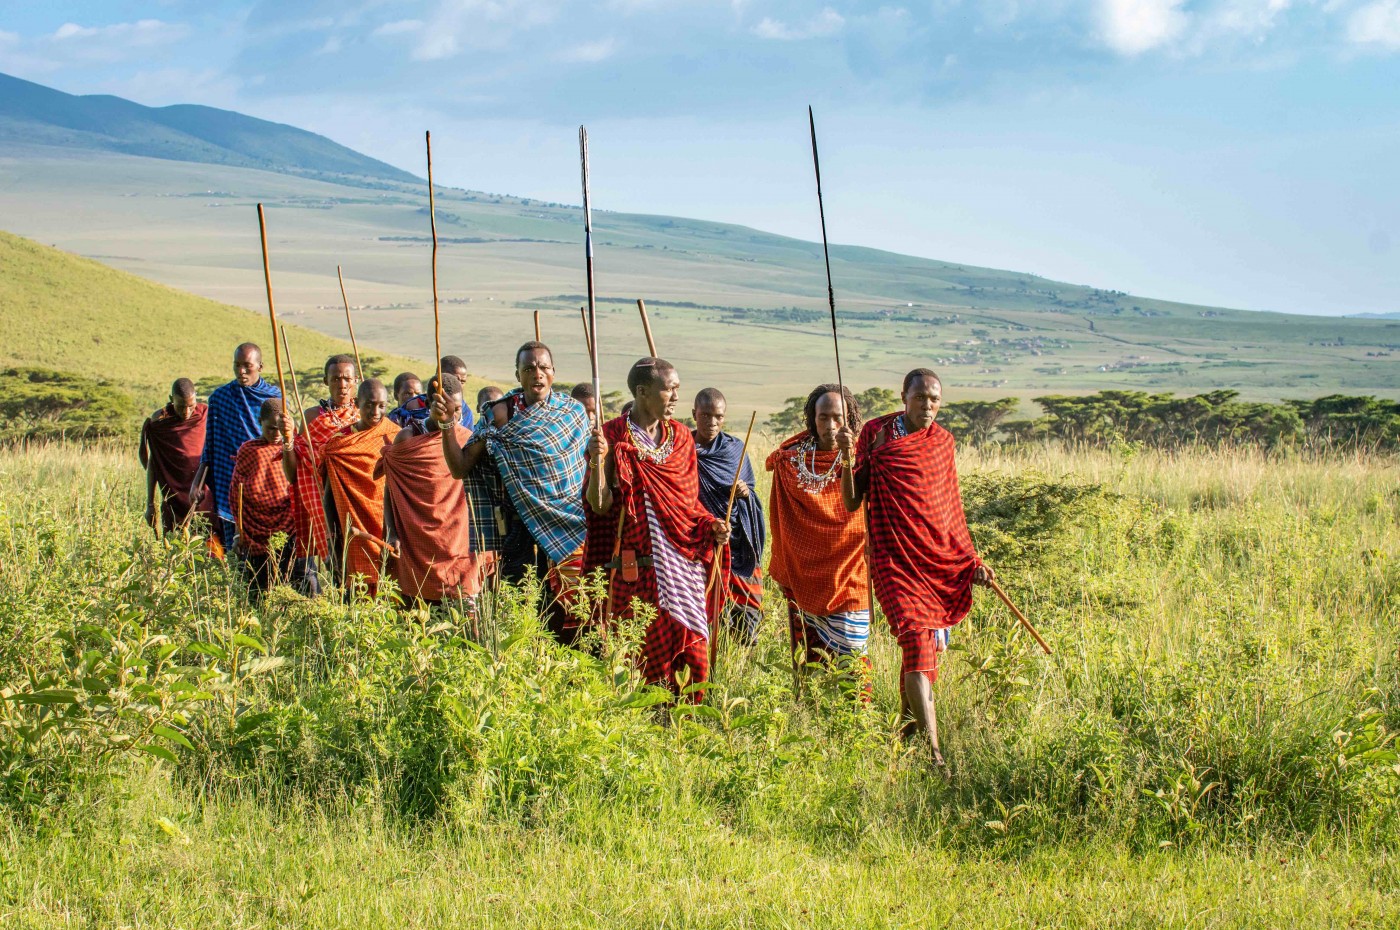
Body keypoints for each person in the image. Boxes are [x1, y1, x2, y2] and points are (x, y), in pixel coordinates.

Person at [840, 369, 993, 769]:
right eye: (921, 397)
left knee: (921, 651)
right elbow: (853, 501)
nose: (928, 406)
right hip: (892, 560)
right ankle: (935, 756)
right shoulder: (875, 433)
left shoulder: (941, 442)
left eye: (935, 400)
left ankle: (907, 739)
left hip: (932, 561)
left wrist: (970, 561)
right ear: (904, 396)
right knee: (915, 642)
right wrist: (845, 458)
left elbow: (949, 511)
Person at [584, 358, 728, 695]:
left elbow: (690, 506)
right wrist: (597, 461)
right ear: (642, 392)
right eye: (670, 389)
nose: (677, 396)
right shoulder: (611, 435)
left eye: (678, 388)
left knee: (692, 654)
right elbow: (600, 505)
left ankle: (687, 726)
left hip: (683, 565)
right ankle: (645, 729)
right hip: (637, 567)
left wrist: (711, 525)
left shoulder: (679, 436)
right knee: (640, 658)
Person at [435, 342, 590, 643]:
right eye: (529, 368)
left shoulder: (572, 413)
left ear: (553, 372)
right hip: (519, 525)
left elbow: (583, 470)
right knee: (522, 605)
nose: (537, 374)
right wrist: (446, 425)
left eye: (544, 367)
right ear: (517, 375)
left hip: (569, 525)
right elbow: (460, 468)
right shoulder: (500, 414)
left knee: (571, 606)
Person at [767, 385, 871, 689]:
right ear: (812, 419)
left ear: (849, 418)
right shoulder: (790, 461)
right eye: (822, 417)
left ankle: (859, 722)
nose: (830, 426)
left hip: (850, 574)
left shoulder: (863, 458)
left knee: (854, 656)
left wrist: (847, 457)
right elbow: (782, 522)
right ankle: (810, 718)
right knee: (807, 659)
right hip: (802, 576)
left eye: (837, 418)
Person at [382, 373, 482, 605]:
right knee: (417, 620)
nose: (453, 416)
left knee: (466, 625)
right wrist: (392, 531)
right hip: (416, 541)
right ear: (427, 405)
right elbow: (391, 489)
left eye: (457, 409)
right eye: (445, 409)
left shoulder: (467, 439)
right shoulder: (407, 438)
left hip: (459, 543)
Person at [692, 388, 766, 644]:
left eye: (718, 417)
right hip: (702, 544)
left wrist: (746, 493)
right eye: (705, 415)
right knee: (708, 615)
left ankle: (741, 664)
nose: (712, 423)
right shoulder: (685, 451)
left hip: (738, 544)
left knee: (747, 618)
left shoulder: (735, 448)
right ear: (694, 414)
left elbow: (753, 492)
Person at [280, 354, 359, 594]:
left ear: (356, 380)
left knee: (361, 563)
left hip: (358, 499)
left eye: (347, 378)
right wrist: (288, 442)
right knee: (334, 563)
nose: (342, 384)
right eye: (335, 378)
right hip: (324, 502)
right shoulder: (312, 417)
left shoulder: (364, 415)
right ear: (326, 381)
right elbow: (295, 473)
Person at [191, 344, 281, 551]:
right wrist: (198, 482)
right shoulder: (220, 398)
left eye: (247, 366)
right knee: (236, 546)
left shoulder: (275, 399)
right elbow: (210, 446)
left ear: (260, 366)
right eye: (237, 365)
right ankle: (236, 582)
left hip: (267, 481)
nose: (241, 371)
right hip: (231, 480)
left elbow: (282, 443)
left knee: (271, 545)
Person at [321, 378, 400, 596]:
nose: (376, 411)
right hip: (353, 529)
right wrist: (334, 542)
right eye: (370, 404)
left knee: (391, 593)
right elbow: (329, 497)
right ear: (357, 403)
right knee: (358, 591)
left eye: (382, 405)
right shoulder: (339, 444)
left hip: (388, 526)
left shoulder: (394, 436)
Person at [230, 400, 295, 593]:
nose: (276, 434)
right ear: (260, 422)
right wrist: (238, 533)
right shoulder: (249, 450)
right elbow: (237, 496)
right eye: (270, 428)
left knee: (292, 582)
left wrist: (288, 441)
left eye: (280, 429)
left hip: (289, 528)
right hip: (254, 532)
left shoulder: (293, 448)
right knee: (258, 589)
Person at [140, 378, 211, 534]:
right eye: (180, 407)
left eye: (191, 406)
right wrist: (150, 504)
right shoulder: (161, 422)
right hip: (174, 498)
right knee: (174, 548)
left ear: (196, 398)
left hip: (203, 495)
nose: (186, 412)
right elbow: (154, 463)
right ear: (171, 400)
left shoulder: (205, 414)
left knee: (210, 547)